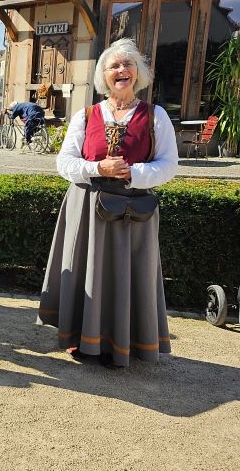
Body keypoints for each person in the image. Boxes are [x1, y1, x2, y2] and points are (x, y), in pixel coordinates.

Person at [38, 38, 178, 369]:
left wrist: (132, 172)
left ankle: (123, 344)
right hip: (87, 207)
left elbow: (169, 165)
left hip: (133, 212)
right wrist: (98, 168)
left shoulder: (155, 116)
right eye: (114, 65)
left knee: (126, 275)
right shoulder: (85, 115)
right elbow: (65, 163)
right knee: (87, 271)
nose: (121, 70)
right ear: (104, 75)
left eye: (128, 64)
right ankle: (79, 339)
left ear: (138, 73)